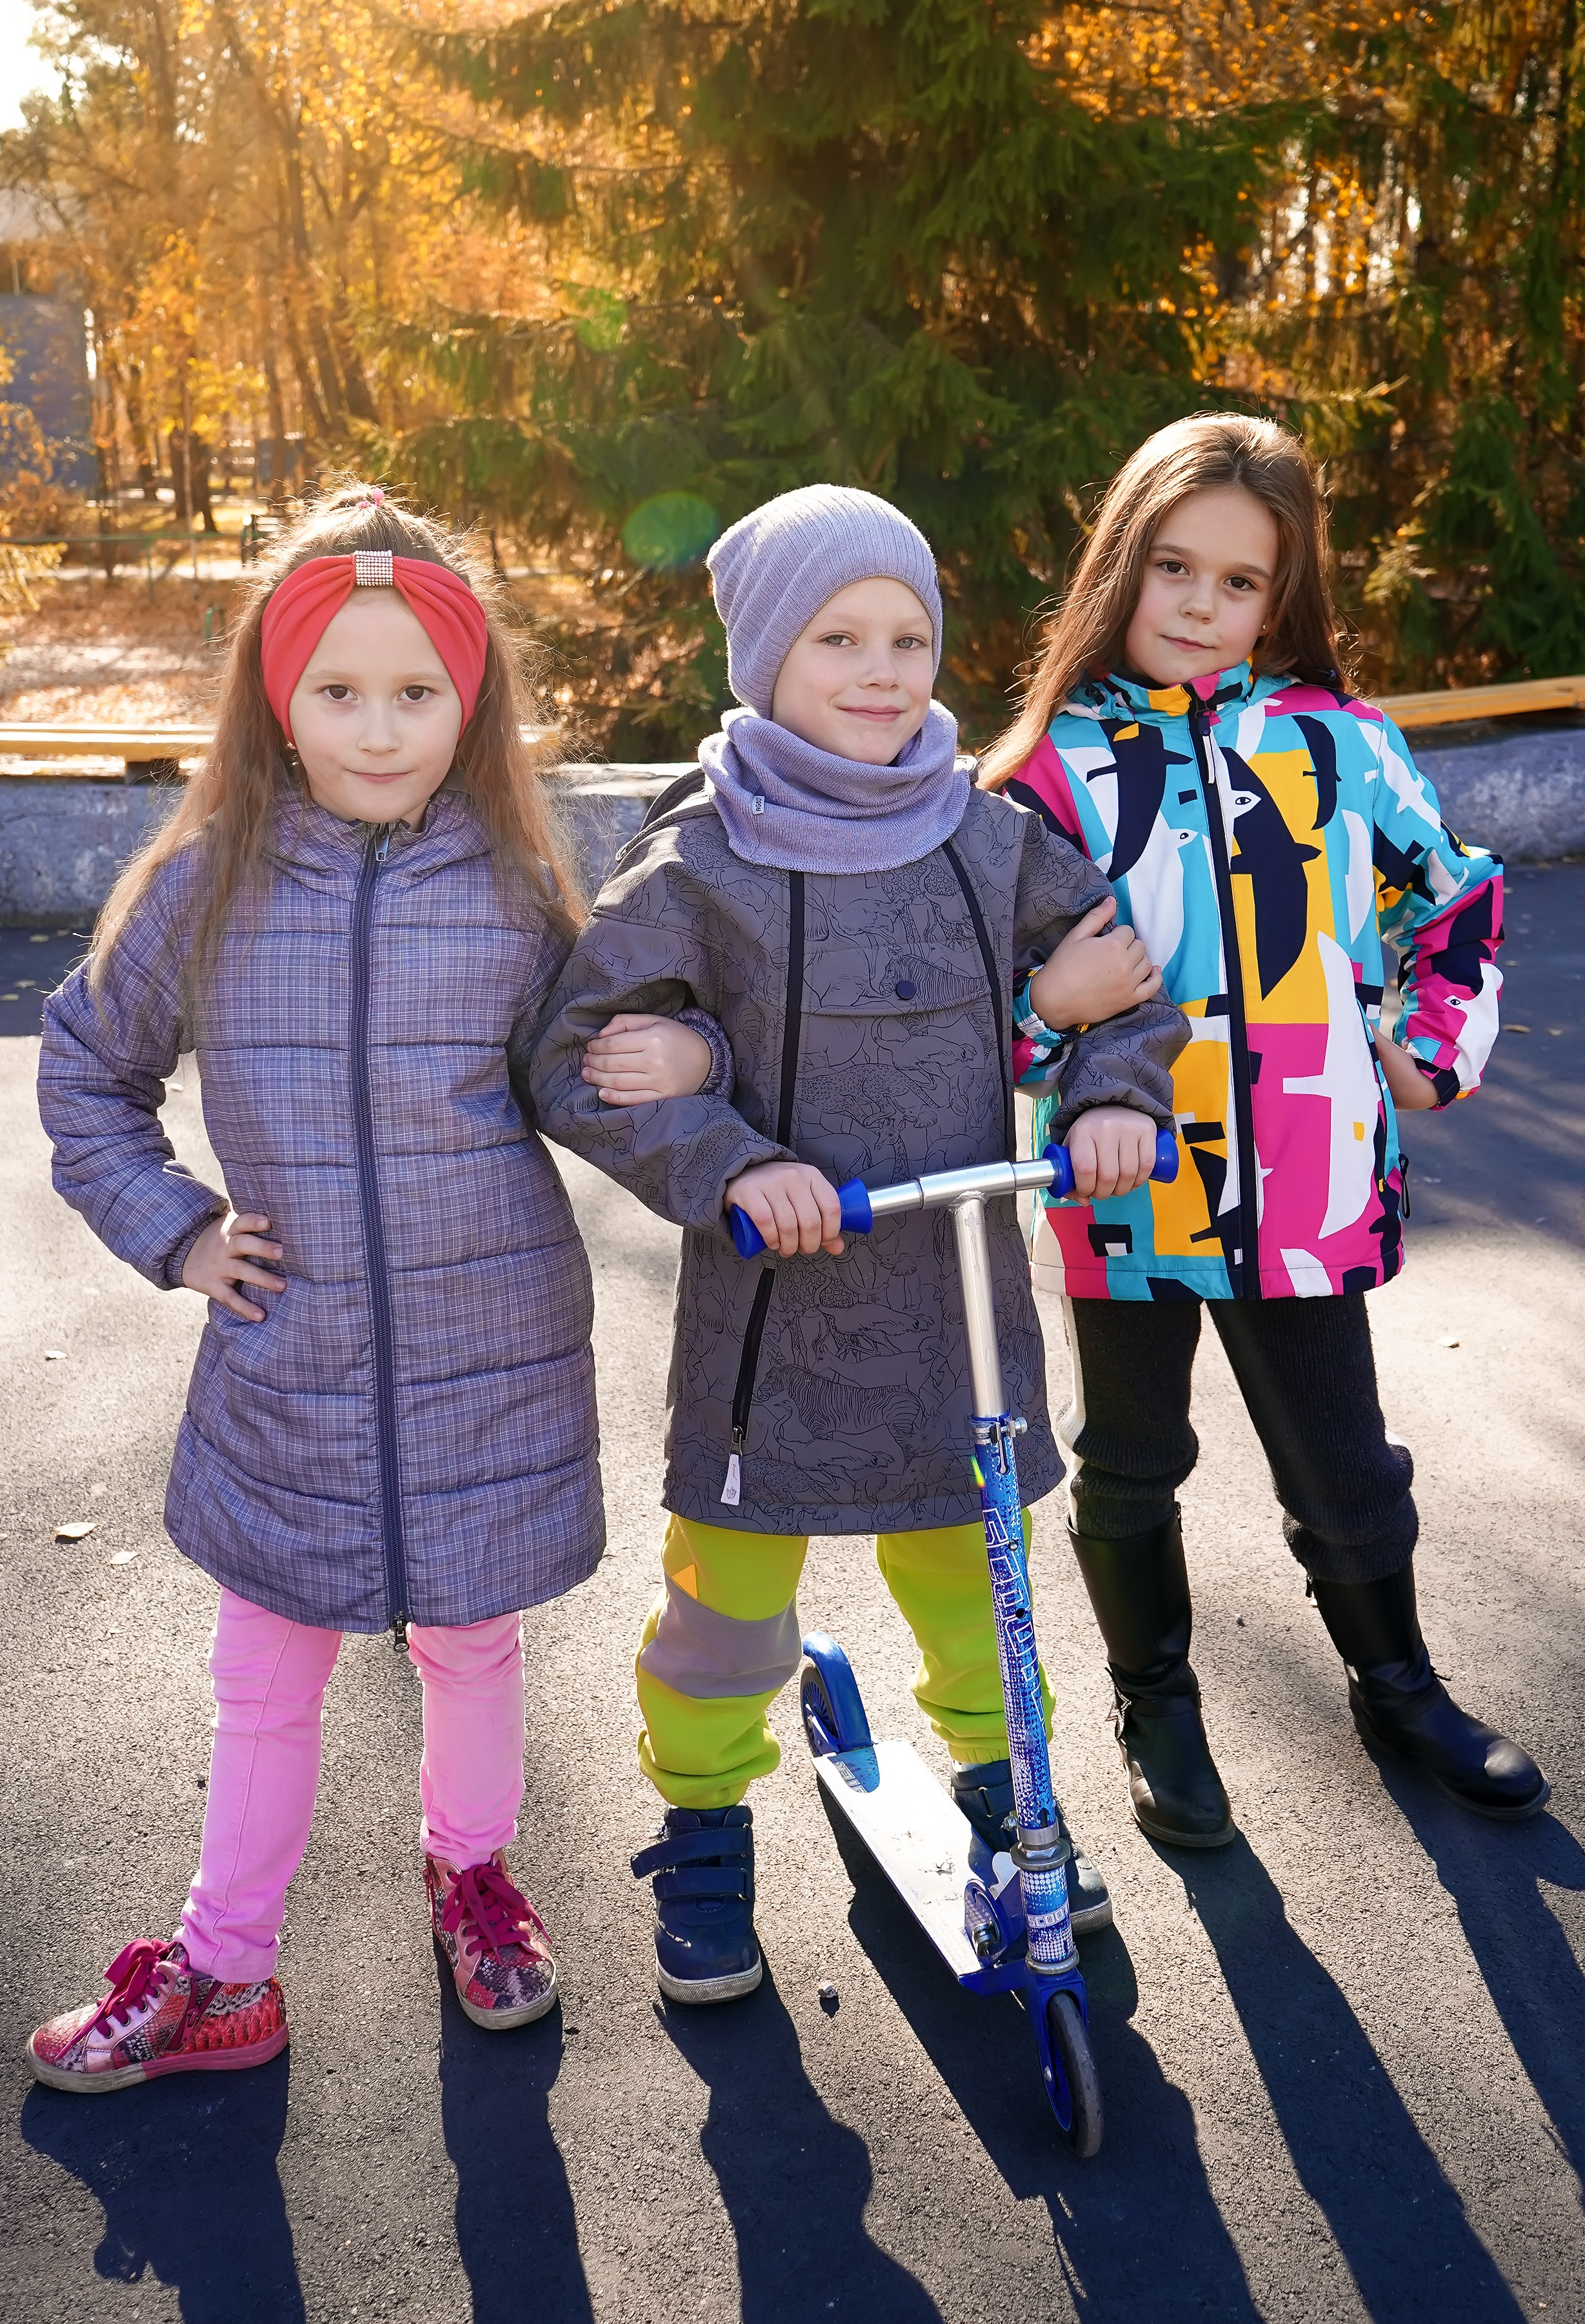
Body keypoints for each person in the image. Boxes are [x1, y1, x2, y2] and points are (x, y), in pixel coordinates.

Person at [28, 486, 715, 2092]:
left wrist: (688, 1062)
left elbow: (587, 1081)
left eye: (418, 690)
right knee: (265, 1676)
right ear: (277, 696)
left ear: (467, 698)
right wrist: (180, 1229)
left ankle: (470, 1874)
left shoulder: (517, 881)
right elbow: (85, 1074)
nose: (382, 725)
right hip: (292, 1362)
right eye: (338, 690)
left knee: (473, 1649)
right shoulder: (205, 879)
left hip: (496, 1353)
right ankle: (224, 1967)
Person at [532, 484, 1188, 2003]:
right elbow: (574, 1053)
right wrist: (726, 1153)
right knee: (726, 1606)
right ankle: (700, 1817)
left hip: (957, 1306)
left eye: (908, 635)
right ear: (766, 657)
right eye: (837, 636)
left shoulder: (983, 835)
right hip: (777, 1326)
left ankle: (1002, 1788)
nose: (884, 669)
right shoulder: (701, 859)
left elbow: (1120, 987)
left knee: (979, 1577)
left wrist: (1104, 1096)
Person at [976, 412, 1548, 1847]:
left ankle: (1395, 1682)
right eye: (1171, 565)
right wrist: (1047, 1012)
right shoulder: (1048, 772)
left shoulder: (1335, 744)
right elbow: (973, 1002)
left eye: (1239, 582)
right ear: (1121, 562)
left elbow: (1456, 895)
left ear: (1280, 597)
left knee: (1343, 1462)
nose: (1197, 604)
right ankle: (1153, 1702)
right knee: (1128, 1459)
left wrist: (1428, 1047)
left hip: (1308, 1181)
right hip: (1126, 1183)